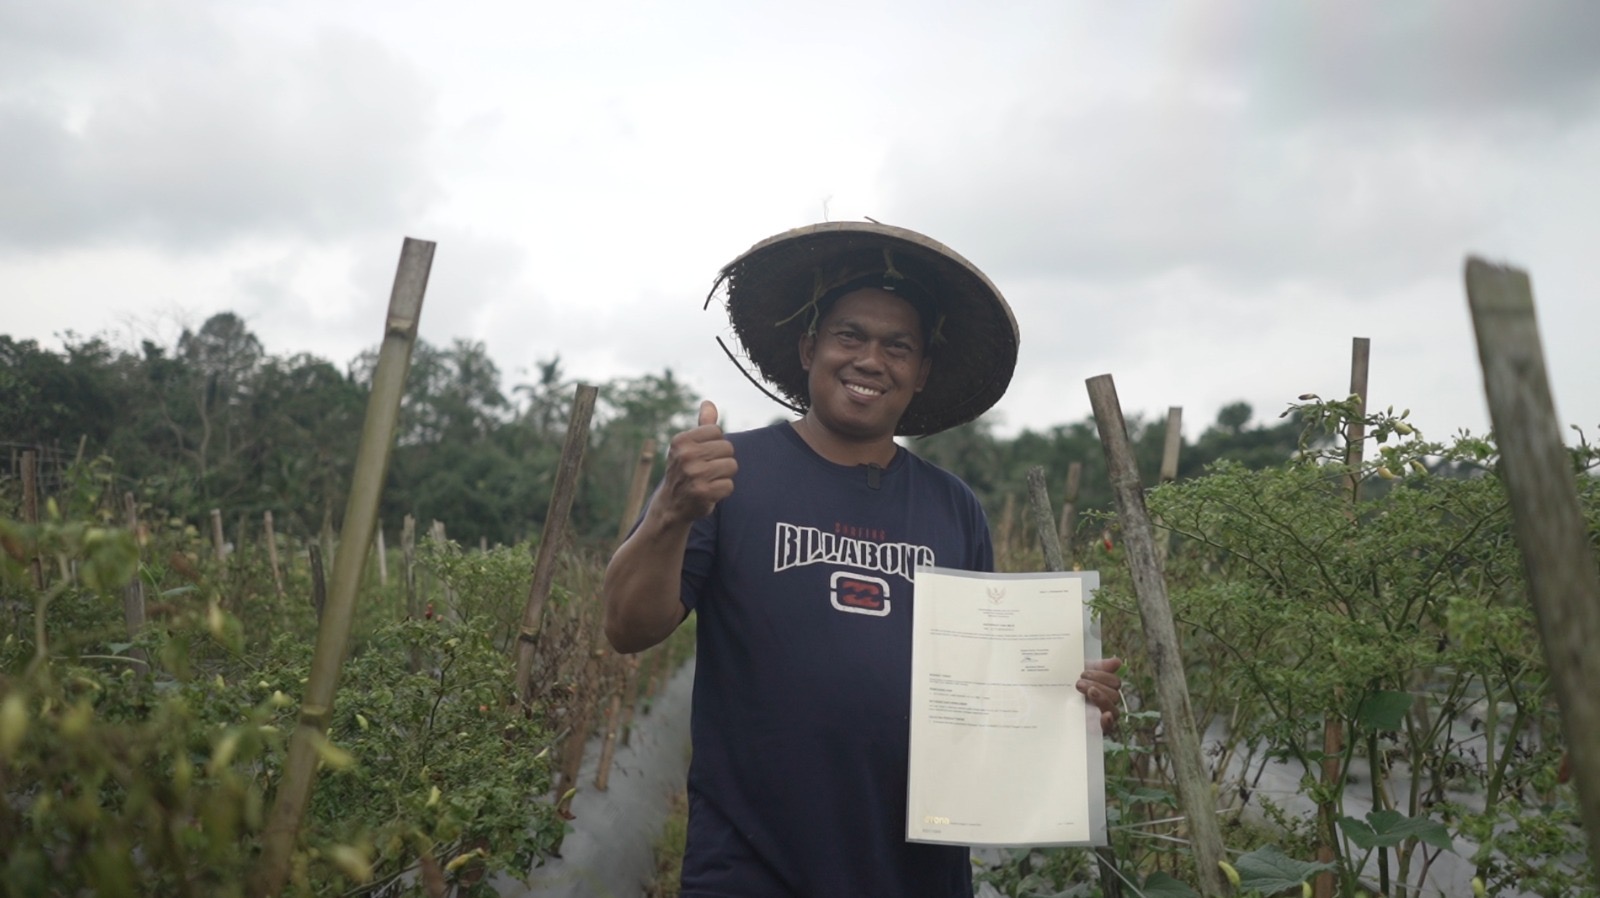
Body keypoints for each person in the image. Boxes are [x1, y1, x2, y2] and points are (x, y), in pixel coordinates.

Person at [602, 222, 1123, 898]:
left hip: (917, 867)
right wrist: (670, 512)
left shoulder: (953, 507)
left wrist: (1066, 703)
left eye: (897, 346)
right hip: (752, 864)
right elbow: (626, 627)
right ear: (808, 347)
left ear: (921, 372)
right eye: (850, 336)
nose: (871, 360)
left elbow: (980, 683)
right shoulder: (728, 476)